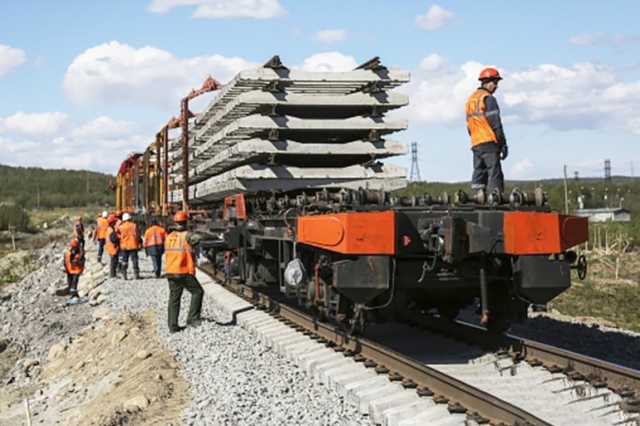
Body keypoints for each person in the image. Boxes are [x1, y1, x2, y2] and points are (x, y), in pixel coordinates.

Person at [465, 67, 508, 196]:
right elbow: (496, 124)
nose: (496, 86)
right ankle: (496, 199)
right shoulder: (488, 98)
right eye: (495, 83)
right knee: (494, 172)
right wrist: (502, 144)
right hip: (489, 141)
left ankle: (478, 197)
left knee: (479, 171)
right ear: (487, 82)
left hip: (475, 142)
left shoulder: (471, 100)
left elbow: (469, 125)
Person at [165, 211, 203, 333]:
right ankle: (192, 319)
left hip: (170, 271)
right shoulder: (187, 235)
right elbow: (198, 238)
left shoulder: (169, 236)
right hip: (183, 271)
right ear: (186, 222)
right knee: (198, 291)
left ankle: (172, 326)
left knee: (174, 298)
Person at [119, 212, 141, 280]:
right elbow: (138, 235)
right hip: (133, 245)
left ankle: (124, 275)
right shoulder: (134, 225)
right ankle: (136, 274)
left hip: (124, 246)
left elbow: (119, 235)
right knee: (134, 260)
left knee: (124, 261)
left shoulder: (121, 227)